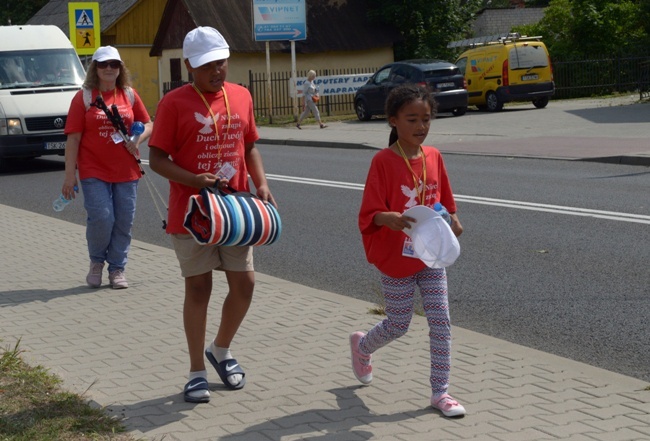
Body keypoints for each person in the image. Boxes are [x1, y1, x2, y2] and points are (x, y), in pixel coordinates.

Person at [148, 26, 277, 404]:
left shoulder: (241, 95)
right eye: (207, 66)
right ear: (189, 65)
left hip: (235, 211)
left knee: (246, 284)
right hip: (192, 215)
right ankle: (196, 371)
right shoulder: (173, 103)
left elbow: (249, 144)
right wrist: (193, 178)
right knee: (198, 288)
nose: (217, 71)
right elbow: (156, 159)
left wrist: (262, 183)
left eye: (221, 63)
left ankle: (220, 349)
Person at [351, 84, 466, 417]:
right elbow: (370, 213)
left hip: (431, 256)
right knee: (398, 324)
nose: (421, 126)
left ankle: (440, 393)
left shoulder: (435, 156)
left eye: (426, 119)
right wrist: (390, 219)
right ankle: (362, 346)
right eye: (412, 119)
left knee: (441, 321)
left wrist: (454, 223)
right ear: (393, 121)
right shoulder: (383, 161)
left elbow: (447, 205)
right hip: (396, 257)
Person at [61, 46, 152, 289]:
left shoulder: (129, 95)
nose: (109, 68)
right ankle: (96, 262)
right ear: (95, 68)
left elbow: (148, 123)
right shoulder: (84, 97)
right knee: (102, 218)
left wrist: (137, 140)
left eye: (114, 64)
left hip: (127, 170)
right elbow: (73, 139)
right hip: (93, 170)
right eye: (103, 64)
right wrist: (70, 175)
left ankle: (117, 268)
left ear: (120, 68)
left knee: (123, 221)